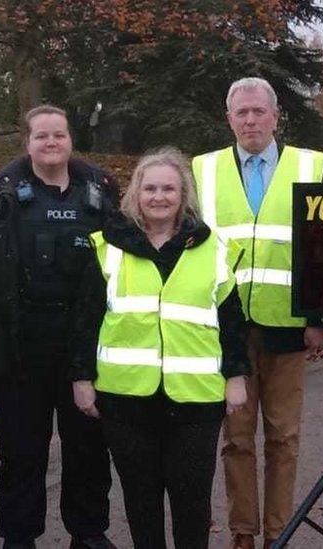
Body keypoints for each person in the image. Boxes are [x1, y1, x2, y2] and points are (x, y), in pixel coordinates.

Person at [72, 148, 250, 549]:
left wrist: (236, 375)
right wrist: (81, 377)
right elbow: (86, 320)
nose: (159, 196)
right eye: (149, 188)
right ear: (135, 193)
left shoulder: (213, 249)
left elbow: (232, 322)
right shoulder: (107, 247)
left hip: (196, 401)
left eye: (168, 188)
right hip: (126, 399)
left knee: (192, 505)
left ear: (183, 194)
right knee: (140, 501)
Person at [191, 77, 323, 549]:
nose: (250, 120)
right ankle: (243, 532)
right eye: (241, 113)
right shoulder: (204, 170)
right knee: (236, 438)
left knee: (283, 438)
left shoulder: (310, 165)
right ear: (229, 118)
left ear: (275, 116)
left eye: (258, 112)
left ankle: (279, 533)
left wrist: (321, 318)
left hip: (288, 326)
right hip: (225, 327)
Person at [0, 105, 116, 549]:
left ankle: (88, 533)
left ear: (71, 140)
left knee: (89, 449)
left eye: (59, 135)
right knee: (21, 452)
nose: (51, 144)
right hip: (20, 350)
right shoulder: (2, 199)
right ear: (27, 143)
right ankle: (18, 536)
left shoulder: (102, 194)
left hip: (85, 346)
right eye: (41, 137)